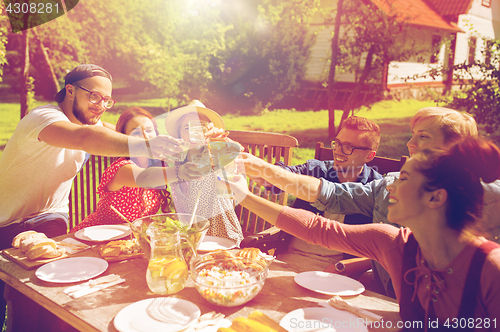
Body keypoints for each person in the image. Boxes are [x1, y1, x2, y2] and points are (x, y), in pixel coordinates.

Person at [228, 138, 500, 330]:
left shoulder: (490, 269)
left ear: (435, 198)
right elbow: (317, 229)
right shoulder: (394, 244)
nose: (389, 187)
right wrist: (243, 195)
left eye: (402, 179)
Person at [236, 107, 500, 296]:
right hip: (385, 297)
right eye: (337, 144)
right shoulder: (392, 235)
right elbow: (323, 214)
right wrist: (258, 174)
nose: (409, 144)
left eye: (423, 136)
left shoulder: (487, 248)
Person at [0, 64, 181, 330]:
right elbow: (86, 138)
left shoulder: (91, 122)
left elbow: (121, 130)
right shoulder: (43, 117)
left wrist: (184, 138)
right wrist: (146, 146)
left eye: (107, 100)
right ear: (70, 91)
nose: (100, 105)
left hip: (51, 219)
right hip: (6, 221)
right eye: (94, 96)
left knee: (40, 300)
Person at [259, 116, 382, 268]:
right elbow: (278, 179)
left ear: (369, 155)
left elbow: (382, 247)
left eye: (348, 146)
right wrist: (256, 167)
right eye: (337, 143)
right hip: (289, 258)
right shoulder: (316, 170)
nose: (337, 151)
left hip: (339, 269)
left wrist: (345, 268)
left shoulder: (376, 190)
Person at [70, 107, 203, 232]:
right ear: (124, 138)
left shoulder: (159, 166)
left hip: (131, 242)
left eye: (149, 130)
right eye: (136, 132)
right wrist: (179, 172)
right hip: (95, 238)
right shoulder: (122, 168)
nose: (145, 136)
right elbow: (145, 178)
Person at [164, 100, 244, 245]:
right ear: (179, 134)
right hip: (189, 240)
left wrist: (219, 140)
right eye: (187, 128)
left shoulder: (215, 158)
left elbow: (237, 151)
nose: (194, 133)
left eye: (200, 127)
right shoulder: (175, 164)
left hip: (223, 239)